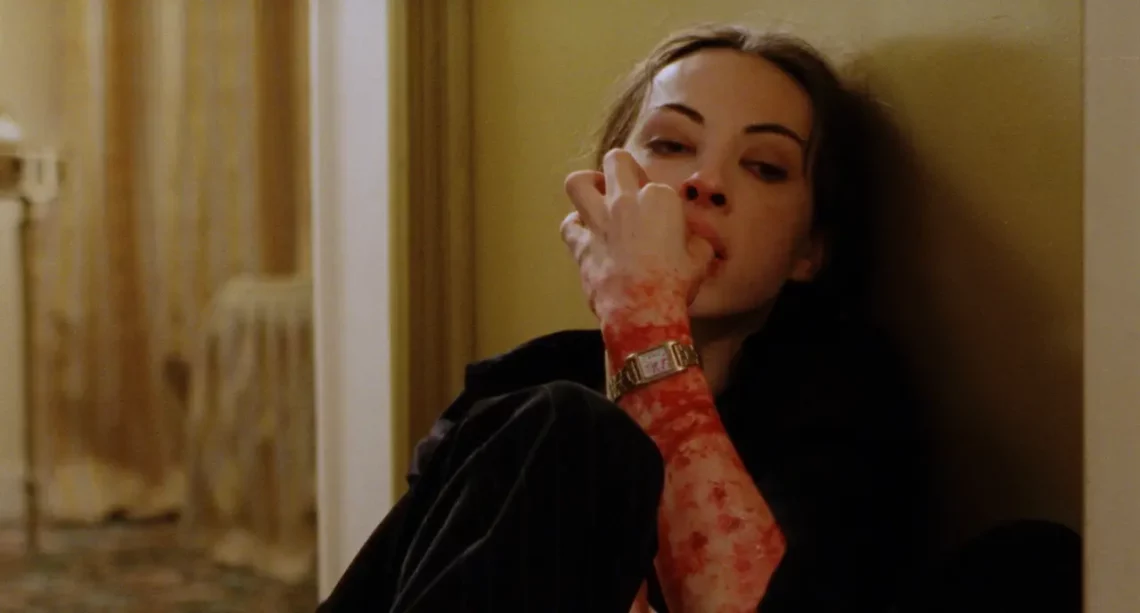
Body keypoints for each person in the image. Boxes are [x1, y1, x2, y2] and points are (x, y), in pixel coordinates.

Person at [317, 24, 1078, 613]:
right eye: (671, 144)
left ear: (809, 250)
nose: (706, 181)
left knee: (1036, 562)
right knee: (566, 425)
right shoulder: (524, 399)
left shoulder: (844, 402)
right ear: (607, 189)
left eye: (764, 166)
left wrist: (643, 314)